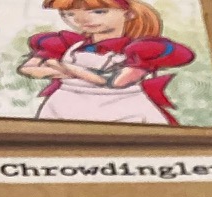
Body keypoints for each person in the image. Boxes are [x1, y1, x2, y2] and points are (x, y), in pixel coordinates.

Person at [20, 0, 195, 125]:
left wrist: (64, 68)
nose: (81, 20)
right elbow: (28, 68)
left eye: (98, 12)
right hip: (63, 105)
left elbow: (116, 82)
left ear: (129, 13)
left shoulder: (141, 49)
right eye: (69, 14)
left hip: (122, 110)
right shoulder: (69, 43)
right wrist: (79, 73)